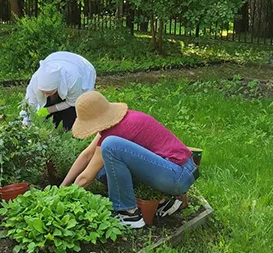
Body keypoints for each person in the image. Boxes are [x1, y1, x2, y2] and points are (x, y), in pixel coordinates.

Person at [61, 91, 198, 229]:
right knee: (103, 170)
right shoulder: (118, 122)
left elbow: (85, 178)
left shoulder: (114, 135)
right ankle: (163, 201)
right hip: (176, 170)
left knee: (110, 146)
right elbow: (87, 155)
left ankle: (128, 213)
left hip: (177, 174)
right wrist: (63, 186)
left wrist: (62, 198)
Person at [22, 52, 97, 131]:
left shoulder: (73, 79)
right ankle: (52, 125)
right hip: (54, 58)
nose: (46, 95)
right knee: (46, 122)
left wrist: (49, 110)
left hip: (82, 68)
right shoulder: (35, 80)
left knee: (70, 119)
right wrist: (25, 121)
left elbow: (72, 102)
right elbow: (29, 104)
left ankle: (69, 130)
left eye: (49, 92)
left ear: (57, 86)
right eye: (43, 92)